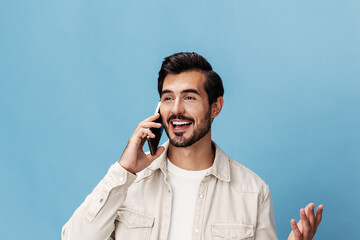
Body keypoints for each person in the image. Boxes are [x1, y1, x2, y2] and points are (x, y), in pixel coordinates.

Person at [62, 52, 323, 240]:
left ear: (215, 106)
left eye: (189, 97)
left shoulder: (253, 192)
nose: (176, 109)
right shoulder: (129, 183)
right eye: (167, 98)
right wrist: (125, 169)